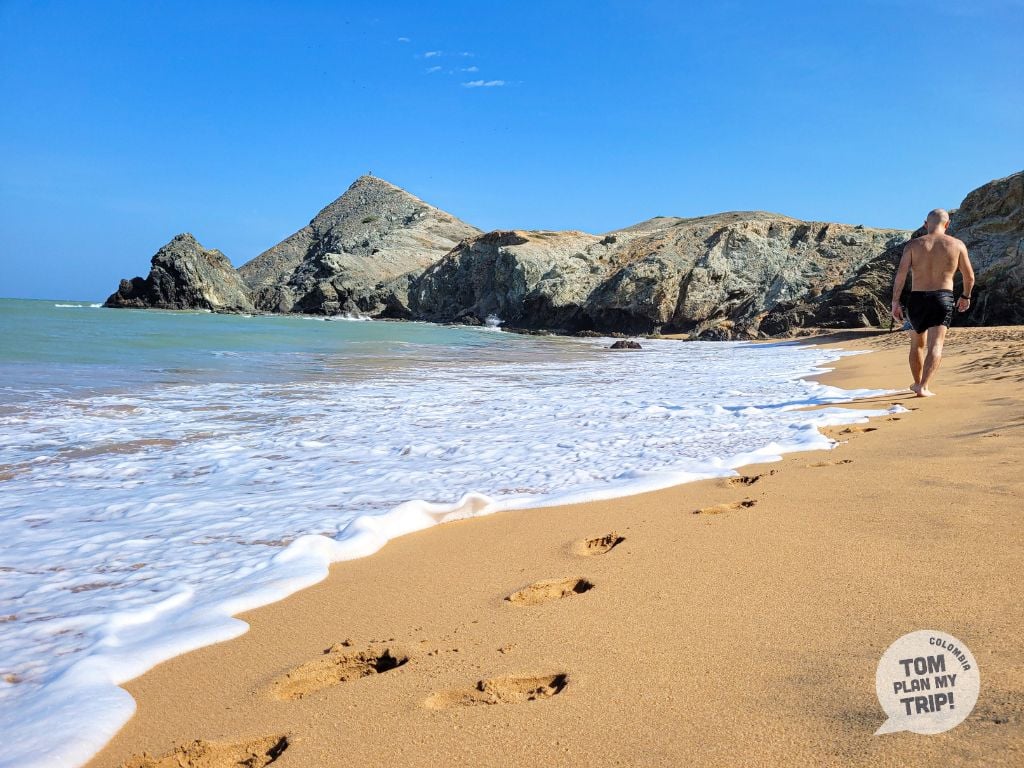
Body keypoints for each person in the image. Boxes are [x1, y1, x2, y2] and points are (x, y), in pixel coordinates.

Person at [891, 209, 975, 397]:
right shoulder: (957, 245)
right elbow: (969, 277)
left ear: (925, 224)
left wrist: (895, 302)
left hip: (917, 299)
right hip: (942, 298)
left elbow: (900, 277)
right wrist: (965, 296)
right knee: (936, 345)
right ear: (947, 224)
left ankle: (916, 383)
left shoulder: (913, 245)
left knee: (916, 345)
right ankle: (924, 386)